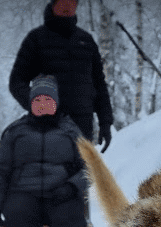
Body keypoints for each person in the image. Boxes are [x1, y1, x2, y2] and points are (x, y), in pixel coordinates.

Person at [0, 75, 89, 227]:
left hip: (62, 195)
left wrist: (72, 187)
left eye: (47, 99)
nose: (42, 104)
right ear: (31, 103)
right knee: (16, 213)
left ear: (56, 102)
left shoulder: (71, 131)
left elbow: (90, 168)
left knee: (72, 225)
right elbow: (1, 172)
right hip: (23, 194)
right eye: (37, 99)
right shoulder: (15, 131)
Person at [9, 0, 114, 153]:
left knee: (81, 175)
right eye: (63, 1)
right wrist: (38, 105)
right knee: (51, 174)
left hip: (82, 130)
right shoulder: (36, 40)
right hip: (47, 129)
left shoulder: (86, 41)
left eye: (72, 2)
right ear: (53, 4)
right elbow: (16, 82)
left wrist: (105, 122)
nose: (67, 5)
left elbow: (99, 85)